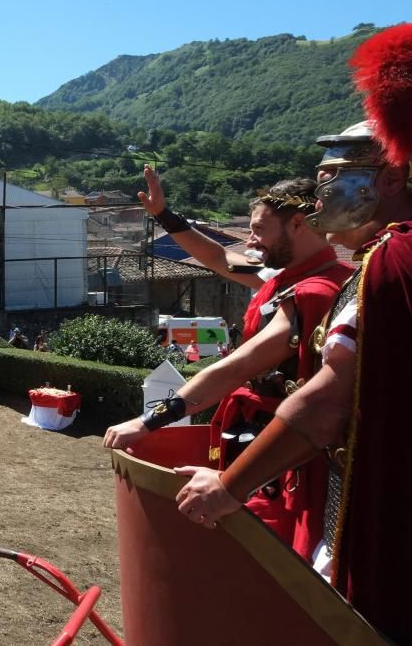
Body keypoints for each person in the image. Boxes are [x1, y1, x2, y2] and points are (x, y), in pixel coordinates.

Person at [173, 24, 412, 644]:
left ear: (390, 179)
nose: (322, 196)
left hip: (395, 520)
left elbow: (325, 405)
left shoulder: (394, 261)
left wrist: (227, 488)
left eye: (333, 179)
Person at [105, 174, 354, 557]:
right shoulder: (292, 278)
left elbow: (235, 369)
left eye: (258, 230)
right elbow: (218, 258)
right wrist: (164, 215)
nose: (250, 241)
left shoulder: (312, 292)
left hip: (285, 456)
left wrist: (147, 421)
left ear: (299, 224)